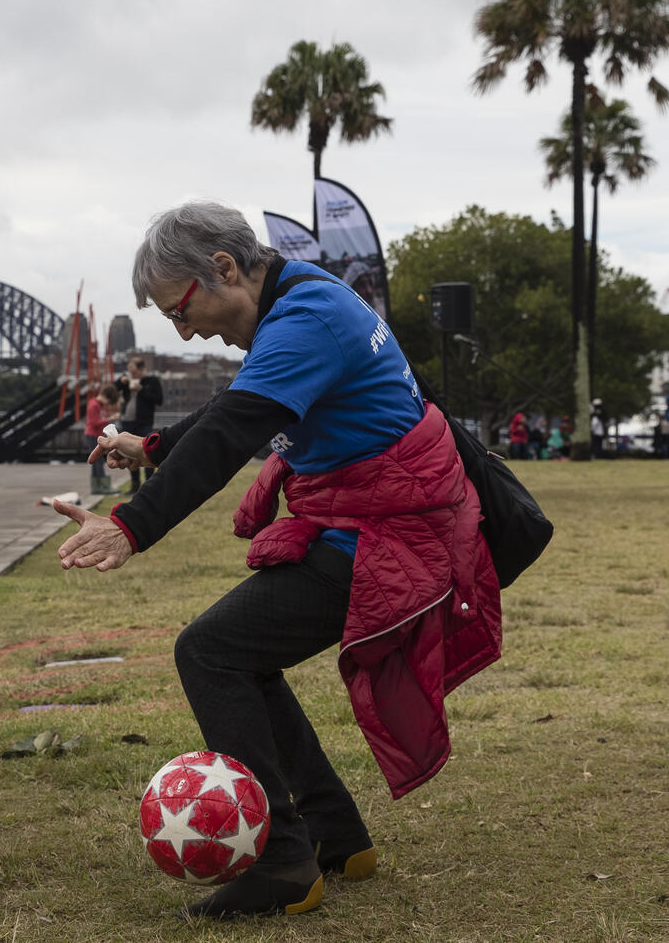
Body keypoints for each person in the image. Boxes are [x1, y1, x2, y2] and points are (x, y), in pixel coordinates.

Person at [53, 201, 500, 920]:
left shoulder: (306, 318)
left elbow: (235, 428)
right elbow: (244, 402)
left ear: (224, 268)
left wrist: (132, 525)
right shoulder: (305, 302)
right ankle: (336, 836)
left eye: (182, 309)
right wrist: (156, 447)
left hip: (389, 538)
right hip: (376, 525)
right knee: (238, 654)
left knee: (211, 652)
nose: (186, 329)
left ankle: (284, 860)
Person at [116, 357, 163, 492]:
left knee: (148, 452)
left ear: (142, 369)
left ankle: (150, 486)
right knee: (129, 454)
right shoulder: (127, 379)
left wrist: (141, 389)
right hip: (127, 421)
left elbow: (158, 400)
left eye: (134, 372)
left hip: (144, 422)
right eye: (130, 371)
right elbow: (113, 389)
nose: (132, 374)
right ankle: (135, 485)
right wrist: (121, 381)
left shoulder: (152, 381)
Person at [83, 383, 120, 495]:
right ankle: (103, 486)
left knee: (96, 462)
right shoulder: (94, 405)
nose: (107, 404)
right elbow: (93, 422)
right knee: (98, 461)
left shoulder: (98, 405)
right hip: (92, 435)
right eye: (108, 402)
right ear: (106, 397)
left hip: (96, 435)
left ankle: (96, 487)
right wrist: (110, 419)